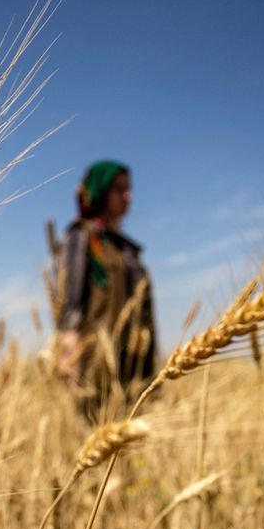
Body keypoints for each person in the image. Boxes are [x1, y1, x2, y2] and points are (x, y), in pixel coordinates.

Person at [54, 160, 156, 395]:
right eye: (119, 189)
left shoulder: (128, 250)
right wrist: (69, 341)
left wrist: (150, 371)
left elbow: (146, 311)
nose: (128, 196)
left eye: (129, 189)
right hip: (95, 361)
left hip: (131, 362)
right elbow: (70, 294)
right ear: (101, 190)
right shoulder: (82, 236)